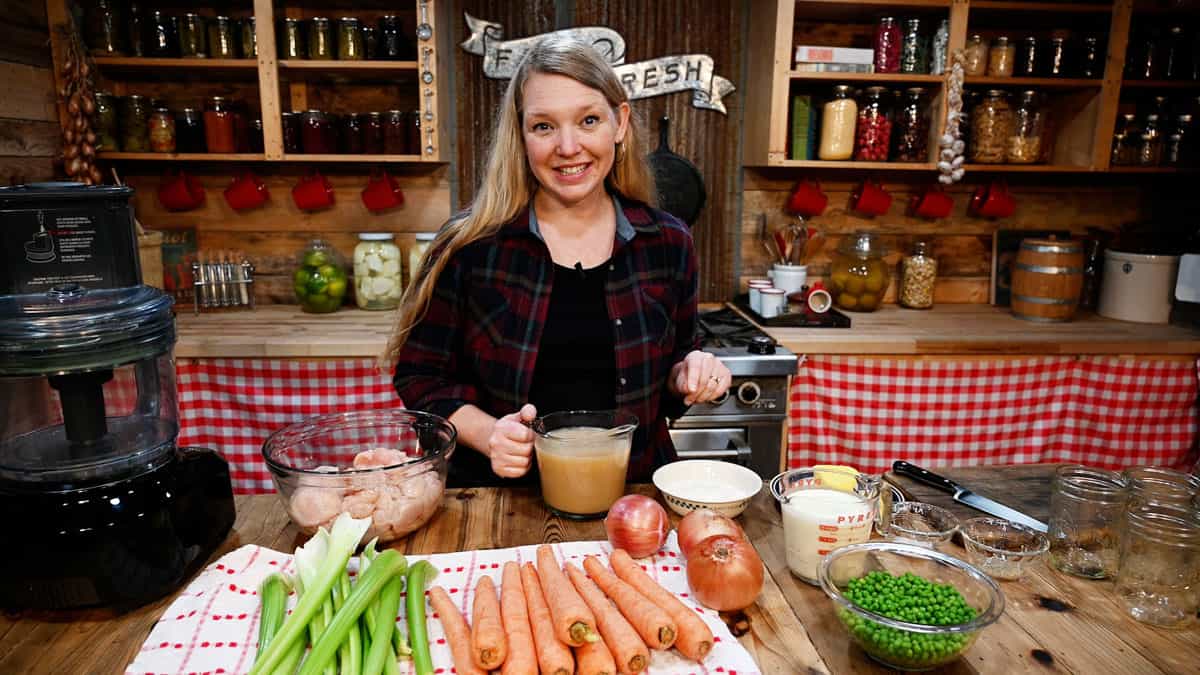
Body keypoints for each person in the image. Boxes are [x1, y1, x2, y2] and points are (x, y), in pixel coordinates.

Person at [385, 35, 731, 487]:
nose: (568, 147)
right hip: (499, 501)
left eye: (588, 120)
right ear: (521, 133)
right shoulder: (470, 246)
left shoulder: (667, 242)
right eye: (544, 126)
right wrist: (490, 435)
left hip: (632, 493)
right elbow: (421, 377)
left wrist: (690, 374)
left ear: (619, 123)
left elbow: (674, 370)